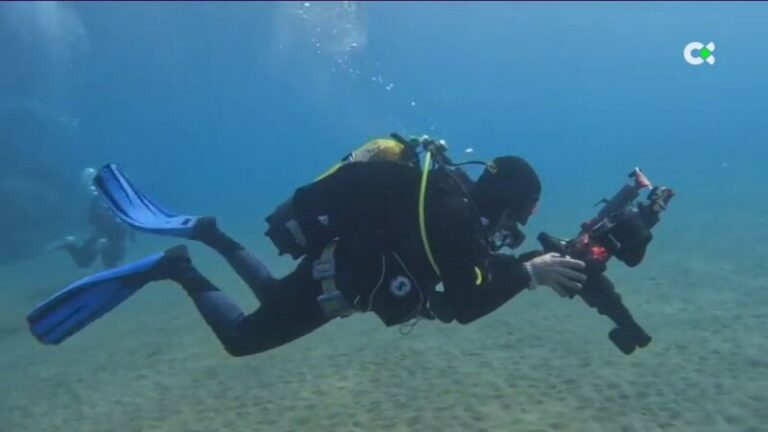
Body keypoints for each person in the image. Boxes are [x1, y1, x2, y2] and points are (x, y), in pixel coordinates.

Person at [27, 137, 587, 356]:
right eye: (522, 214)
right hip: (336, 285)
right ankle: (178, 269)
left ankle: (211, 233)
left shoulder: (450, 196)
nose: (516, 225)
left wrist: (515, 265)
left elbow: (462, 273)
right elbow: (465, 304)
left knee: (272, 292)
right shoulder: (452, 216)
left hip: (334, 266)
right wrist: (530, 272)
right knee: (243, 339)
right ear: (510, 201)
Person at [53, 167, 131, 269]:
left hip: (112, 233)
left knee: (109, 262)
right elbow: (93, 218)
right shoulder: (95, 197)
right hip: (105, 234)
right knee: (87, 261)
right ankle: (70, 243)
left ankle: (71, 244)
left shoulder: (105, 195)